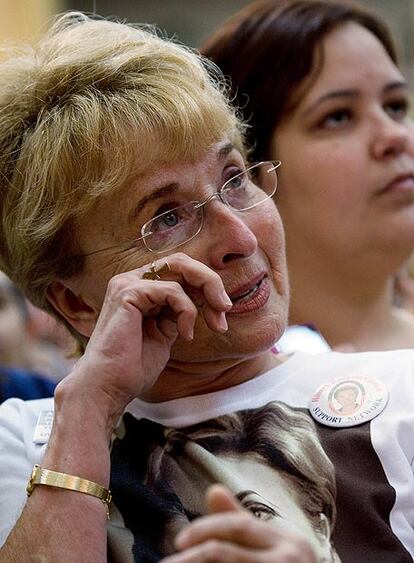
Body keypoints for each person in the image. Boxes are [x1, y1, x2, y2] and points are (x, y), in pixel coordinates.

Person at [0, 11, 413, 563]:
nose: (241, 237)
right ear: (74, 301)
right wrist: (87, 413)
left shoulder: (400, 394)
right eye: (167, 217)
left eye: (235, 178)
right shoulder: (24, 441)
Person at [201, 0, 414, 352]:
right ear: (247, 178)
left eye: (395, 106)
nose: (395, 136)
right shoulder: (193, 402)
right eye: (338, 116)